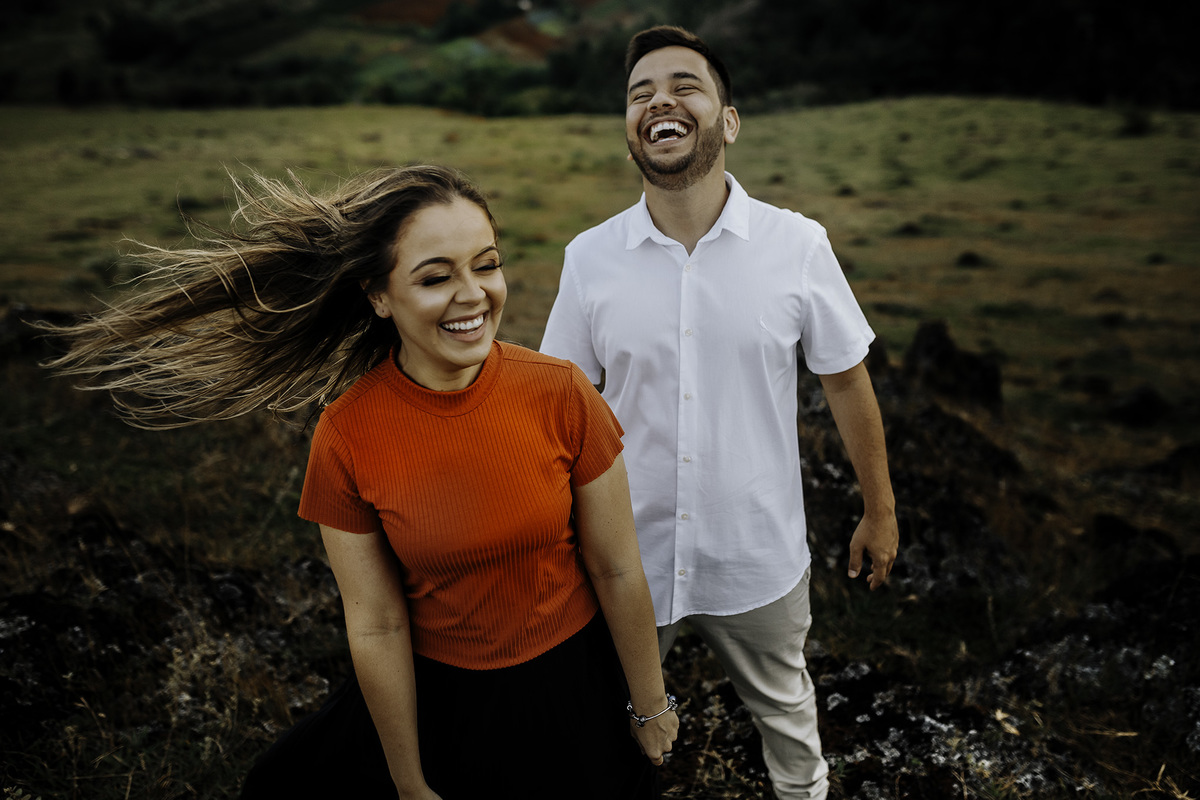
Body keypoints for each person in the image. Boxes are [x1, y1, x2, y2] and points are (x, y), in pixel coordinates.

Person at [43, 164, 677, 798]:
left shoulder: (561, 392)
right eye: (435, 277)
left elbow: (617, 567)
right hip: (443, 701)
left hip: (575, 685)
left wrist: (650, 705)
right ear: (378, 296)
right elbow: (377, 624)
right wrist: (408, 781)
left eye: (486, 266)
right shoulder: (347, 434)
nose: (473, 295)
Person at [539, 25, 900, 800]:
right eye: (640, 94)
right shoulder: (588, 258)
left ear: (728, 121)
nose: (659, 102)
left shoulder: (797, 245)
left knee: (792, 735)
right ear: (629, 130)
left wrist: (880, 510)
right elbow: (560, 408)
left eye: (684, 86)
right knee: (603, 737)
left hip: (757, 555)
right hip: (626, 560)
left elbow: (845, 380)